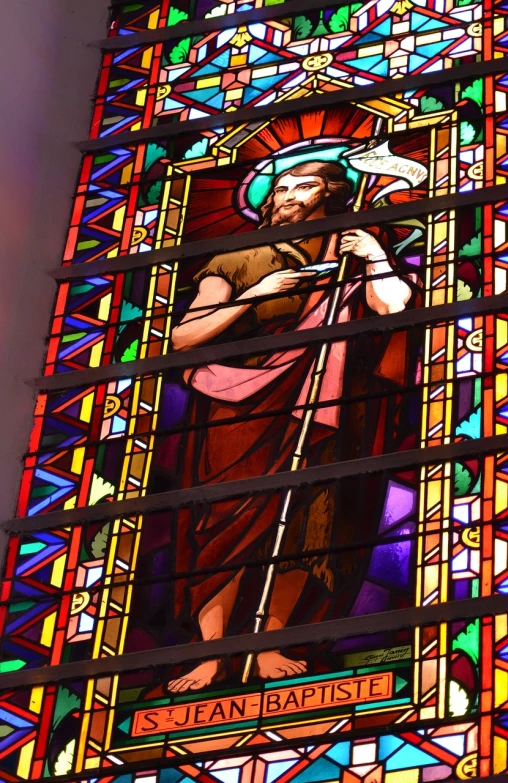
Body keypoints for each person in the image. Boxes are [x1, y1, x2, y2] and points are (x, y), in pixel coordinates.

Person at [167, 161, 420, 692]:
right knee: (225, 525)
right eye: (279, 187)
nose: (286, 194)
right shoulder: (238, 258)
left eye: (302, 186)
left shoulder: (351, 252)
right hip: (239, 404)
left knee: (309, 521)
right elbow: (185, 338)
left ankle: (270, 645)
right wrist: (256, 294)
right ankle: (212, 654)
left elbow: (393, 305)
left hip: (325, 401)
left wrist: (373, 254)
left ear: (331, 193)